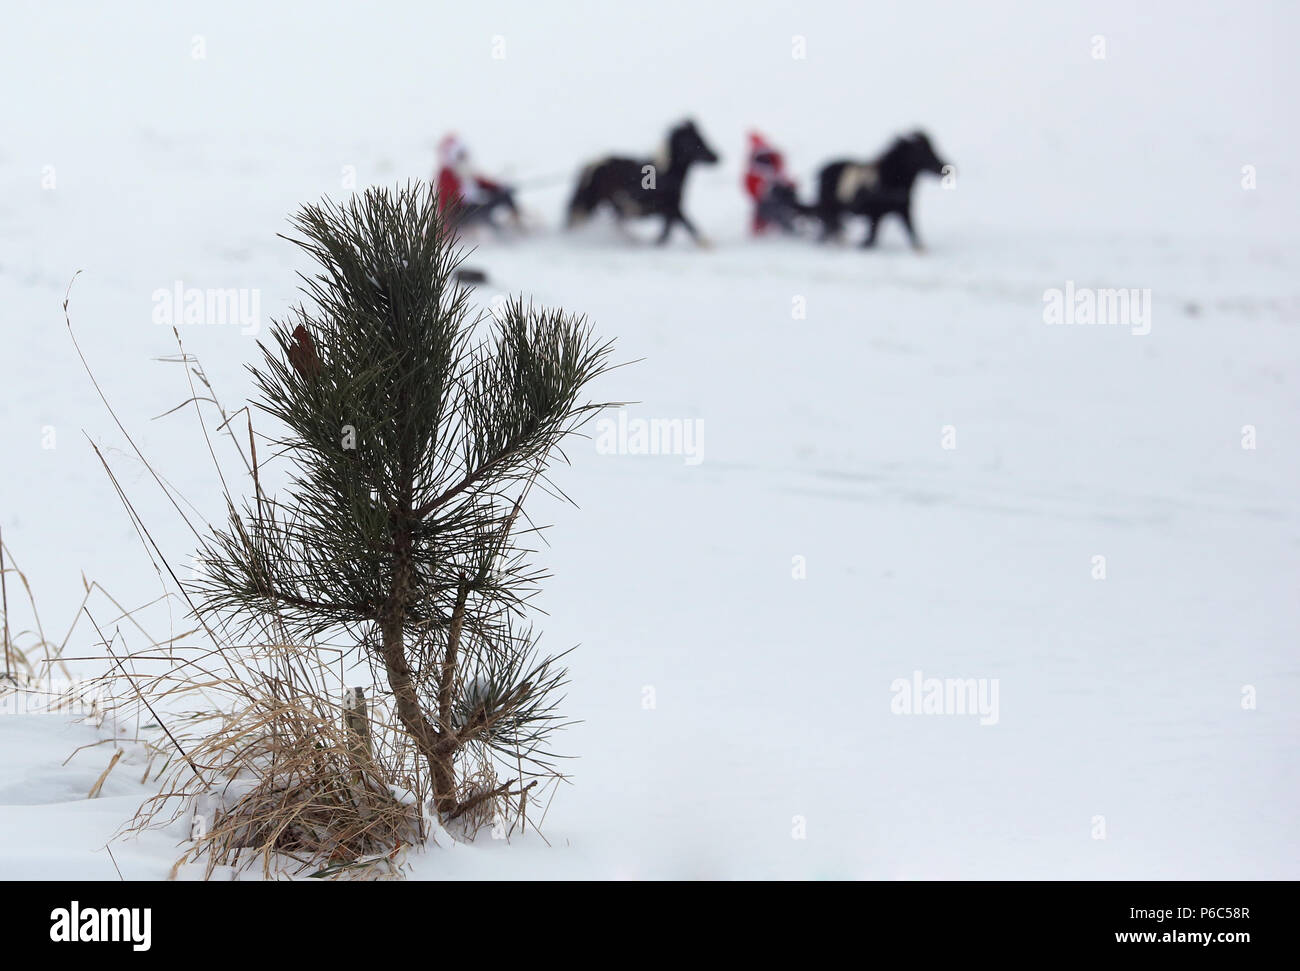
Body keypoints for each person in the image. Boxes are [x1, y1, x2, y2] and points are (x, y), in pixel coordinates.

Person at [435, 133, 521, 231]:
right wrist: (475, 197)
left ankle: (518, 223)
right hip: (457, 215)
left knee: (504, 195)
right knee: (479, 211)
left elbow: (482, 183)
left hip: (472, 207)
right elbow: (451, 198)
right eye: (460, 155)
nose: (463, 157)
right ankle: (498, 235)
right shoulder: (446, 174)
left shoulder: (464, 170)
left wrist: (500, 188)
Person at [742, 131, 803, 235]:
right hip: (773, 195)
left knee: (770, 210)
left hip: (770, 196)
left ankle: (768, 229)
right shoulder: (771, 160)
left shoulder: (758, 162)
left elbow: (752, 186)